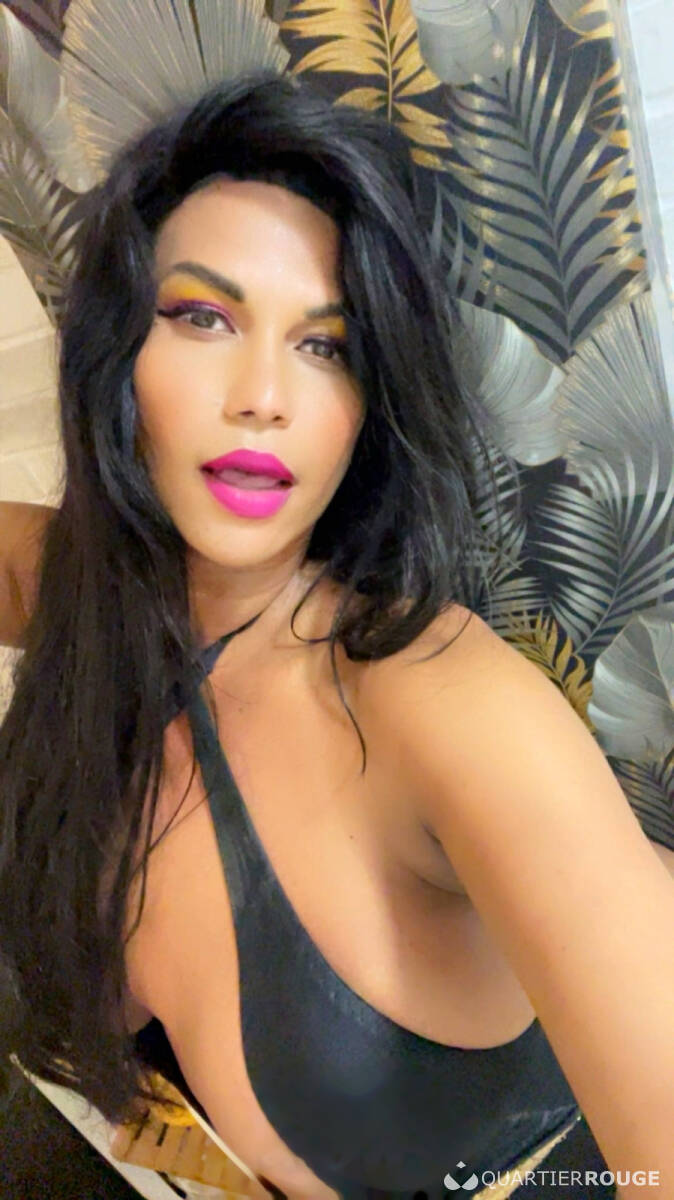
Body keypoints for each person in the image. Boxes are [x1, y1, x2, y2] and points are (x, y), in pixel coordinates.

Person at [0, 69, 672, 1200]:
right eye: (204, 316)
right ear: (117, 357)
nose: (263, 393)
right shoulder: (84, 587)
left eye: (327, 345)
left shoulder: (443, 703)